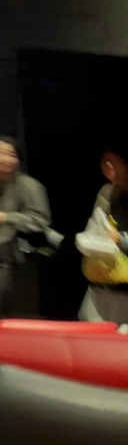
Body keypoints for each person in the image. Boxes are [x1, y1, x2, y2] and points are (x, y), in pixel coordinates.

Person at [0, 135, 51, 318]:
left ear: (17, 159)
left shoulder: (28, 185)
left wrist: (5, 217)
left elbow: (41, 220)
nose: (2, 159)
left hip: (11, 261)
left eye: (10, 154)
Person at [77, 138, 128, 323]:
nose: (108, 167)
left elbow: (118, 237)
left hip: (124, 290)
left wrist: (121, 238)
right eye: (105, 162)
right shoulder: (107, 193)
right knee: (88, 333)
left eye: (113, 162)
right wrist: (89, 240)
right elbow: (95, 225)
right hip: (99, 284)